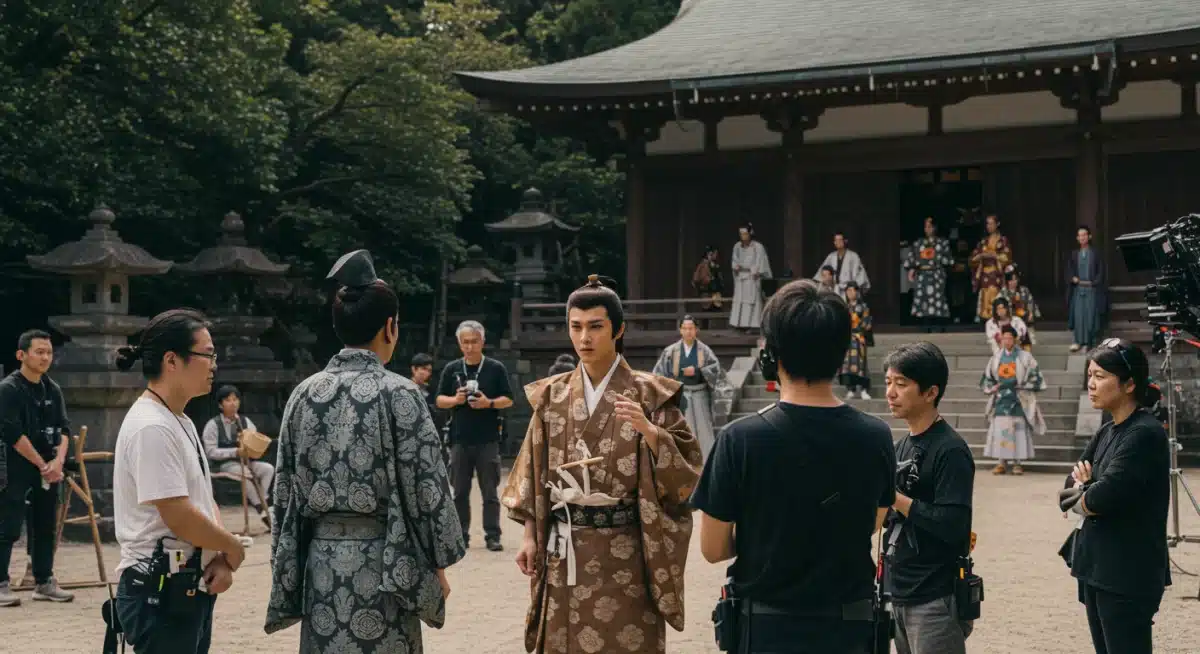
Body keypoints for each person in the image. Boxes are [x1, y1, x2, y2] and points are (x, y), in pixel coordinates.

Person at [265, 250, 465, 652]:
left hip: (321, 567)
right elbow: (428, 488)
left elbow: (283, 496)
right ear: (390, 328)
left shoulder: (303, 395)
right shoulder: (401, 394)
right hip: (387, 564)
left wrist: (288, 566)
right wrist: (439, 562)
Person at [691, 279, 896, 653]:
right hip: (849, 628)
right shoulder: (876, 436)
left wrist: (768, 532)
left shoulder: (739, 440)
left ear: (772, 353)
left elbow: (713, 548)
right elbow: (872, 522)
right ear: (841, 351)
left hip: (766, 629)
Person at [504, 274, 701, 654]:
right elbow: (532, 470)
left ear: (618, 329)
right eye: (576, 327)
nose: (584, 339)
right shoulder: (552, 396)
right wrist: (530, 536)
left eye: (596, 327)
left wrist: (651, 432)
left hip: (626, 551)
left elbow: (687, 474)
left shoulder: (651, 395)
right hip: (566, 548)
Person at [110, 310, 244, 651]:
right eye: (208, 354)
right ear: (172, 360)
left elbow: (202, 498)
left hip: (186, 581)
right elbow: (178, 514)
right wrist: (231, 546)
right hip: (158, 589)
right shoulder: (152, 425)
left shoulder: (178, 418)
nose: (214, 364)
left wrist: (220, 558)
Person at [1062, 338, 1169, 654]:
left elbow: (1100, 499)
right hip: (1096, 566)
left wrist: (1087, 489)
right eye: (1090, 375)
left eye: (1100, 376)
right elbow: (1066, 492)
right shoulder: (1107, 430)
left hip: (1128, 570)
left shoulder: (1144, 434)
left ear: (1129, 383)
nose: (1091, 384)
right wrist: (1086, 490)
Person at [882, 342, 975, 654]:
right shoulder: (899, 447)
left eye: (901, 384)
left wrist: (895, 498)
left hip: (934, 595)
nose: (890, 393)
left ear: (930, 392)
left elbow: (954, 525)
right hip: (899, 590)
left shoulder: (951, 450)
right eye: (888, 383)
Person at [0, 330, 75, 607]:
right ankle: (1, 582)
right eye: (39, 352)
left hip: (48, 467)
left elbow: (65, 428)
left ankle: (44, 581)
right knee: (7, 525)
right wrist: (44, 464)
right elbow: (12, 432)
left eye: (49, 352)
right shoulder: (8, 389)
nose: (45, 357)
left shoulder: (52, 388)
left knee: (45, 524)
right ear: (21, 355)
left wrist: (57, 462)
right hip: (14, 464)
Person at [435, 320, 513, 552]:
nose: (470, 347)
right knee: (459, 491)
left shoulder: (495, 368)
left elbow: (508, 399)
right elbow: (439, 400)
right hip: (459, 438)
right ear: (459, 344)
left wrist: (488, 402)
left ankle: (492, 535)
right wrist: (456, 401)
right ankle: (460, 535)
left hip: (488, 438)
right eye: (465, 342)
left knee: (490, 491)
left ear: (482, 342)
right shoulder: (452, 369)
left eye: (474, 341)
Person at [652, 315, 730, 461]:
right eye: (685, 328)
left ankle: (706, 461)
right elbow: (659, 374)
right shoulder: (671, 351)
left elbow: (716, 371)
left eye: (691, 328)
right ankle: (683, 460)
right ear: (680, 330)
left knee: (703, 429)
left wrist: (698, 371)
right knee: (681, 428)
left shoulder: (704, 351)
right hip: (680, 395)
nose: (688, 332)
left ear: (696, 330)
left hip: (700, 394)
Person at [201, 385, 274, 528]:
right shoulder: (213, 425)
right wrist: (235, 452)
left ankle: (262, 501)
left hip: (245, 462)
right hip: (222, 464)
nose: (233, 403)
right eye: (228, 400)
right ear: (220, 405)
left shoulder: (245, 422)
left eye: (235, 399)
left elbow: (254, 443)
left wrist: (252, 447)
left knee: (267, 469)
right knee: (245, 474)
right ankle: (263, 509)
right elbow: (210, 451)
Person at [980, 325, 1046, 475]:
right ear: (1001, 339)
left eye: (1010, 338)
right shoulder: (996, 358)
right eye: (1004, 338)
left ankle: (1017, 463)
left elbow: (1036, 377)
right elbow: (986, 379)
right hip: (1001, 399)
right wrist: (993, 387)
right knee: (1000, 430)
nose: (1007, 341)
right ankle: (1001, 462)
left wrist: (1024, 385)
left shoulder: (1025, 357)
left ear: (1015, 339)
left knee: (1018, 431)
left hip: (1018, 398)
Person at [904, 217, 954, 332]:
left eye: (930, 226)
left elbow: (949, 260)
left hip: (937, 274)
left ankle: (939, 325)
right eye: (926, 227)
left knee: (938, 299)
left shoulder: (943, 242)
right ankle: (925, 326)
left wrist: (938, 259)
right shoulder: (919, 243)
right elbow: (911, 259)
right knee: (923, 299)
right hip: (922, 275)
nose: (928, 229)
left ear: (935, 227)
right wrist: (912, 269)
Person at [1067, 226, 1107, 353]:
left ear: (1089, 236)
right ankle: (1078, 341)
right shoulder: (1074, 254)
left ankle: (1090, 343)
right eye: (1080, 235)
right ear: (1077, 238)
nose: (1082, 237)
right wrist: (1072, 278)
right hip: (1078, 289)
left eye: (1084, 235)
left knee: (1090, 316)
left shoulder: (1095, 253)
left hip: (1091, 289)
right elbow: (1069, 270)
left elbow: (1101, 271)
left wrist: (1095, 282)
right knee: (1079, 316)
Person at [969, 213, 1012, 321]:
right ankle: (984, 318)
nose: (989, 226)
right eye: (988, 224)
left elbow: (1006, 257)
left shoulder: (1003, 241)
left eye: (991, 224)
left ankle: (996, 317)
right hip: (984, 273)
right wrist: (981, 256)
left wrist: (994, 255)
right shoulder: (983, 241)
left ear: (997, 224)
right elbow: (973, 259)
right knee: (984, 295)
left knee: (995, 294)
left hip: (996, 273)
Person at [730, 223, 772, 331]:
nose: (743, 236)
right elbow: (734, 261)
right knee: (740, 301)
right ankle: (739, 325)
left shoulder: (758, 247)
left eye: (745, 234)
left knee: (751, 302)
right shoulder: (737, 246)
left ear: (750, 234)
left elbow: (761, 262)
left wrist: (756, 271)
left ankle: (753, 326)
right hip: (741, 277)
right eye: (741, 234)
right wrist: (736, 267)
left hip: (752, 278)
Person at [839, 282, 873, 400]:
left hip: (859, 337)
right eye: (848, 291)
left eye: (852, 291)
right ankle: (851, 389)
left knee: (861, 364)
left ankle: (864, 389)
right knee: (847, 364)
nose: (850, 293)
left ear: (857, 292)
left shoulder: (863, 307)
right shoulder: (844, 307)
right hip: (847, 338)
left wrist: (859, 328)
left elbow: (867, 322)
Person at [815, 231, 871, 298]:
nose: (837, 242)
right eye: (836, 240)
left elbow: (861, 275)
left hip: (848, 291)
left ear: (845, 241)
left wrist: (853, 287)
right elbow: (821, 272)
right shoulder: (831, 256)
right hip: (833, 290)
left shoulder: (853, 256)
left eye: (840, 240)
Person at [998, 265, 1040, 347]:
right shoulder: (1003, 292)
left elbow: (1030, 302)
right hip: (1010, 319)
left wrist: (1031, 312)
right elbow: (999, 306)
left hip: (1023, 316)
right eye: (1011, 280)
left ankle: (1028, 336)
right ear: (1007, 281)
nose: (1013, 282)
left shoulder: (1024, 290)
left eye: (1015, 279)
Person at [692, 245, 725, 312]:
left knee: (717, 310)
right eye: (715, 253)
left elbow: (719, 278)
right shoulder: (703, 265)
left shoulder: (716, 265)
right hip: (706, 292)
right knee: (706, 311)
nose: (716, 255)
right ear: (709, 254)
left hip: (716, 292)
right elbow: (697, 278)